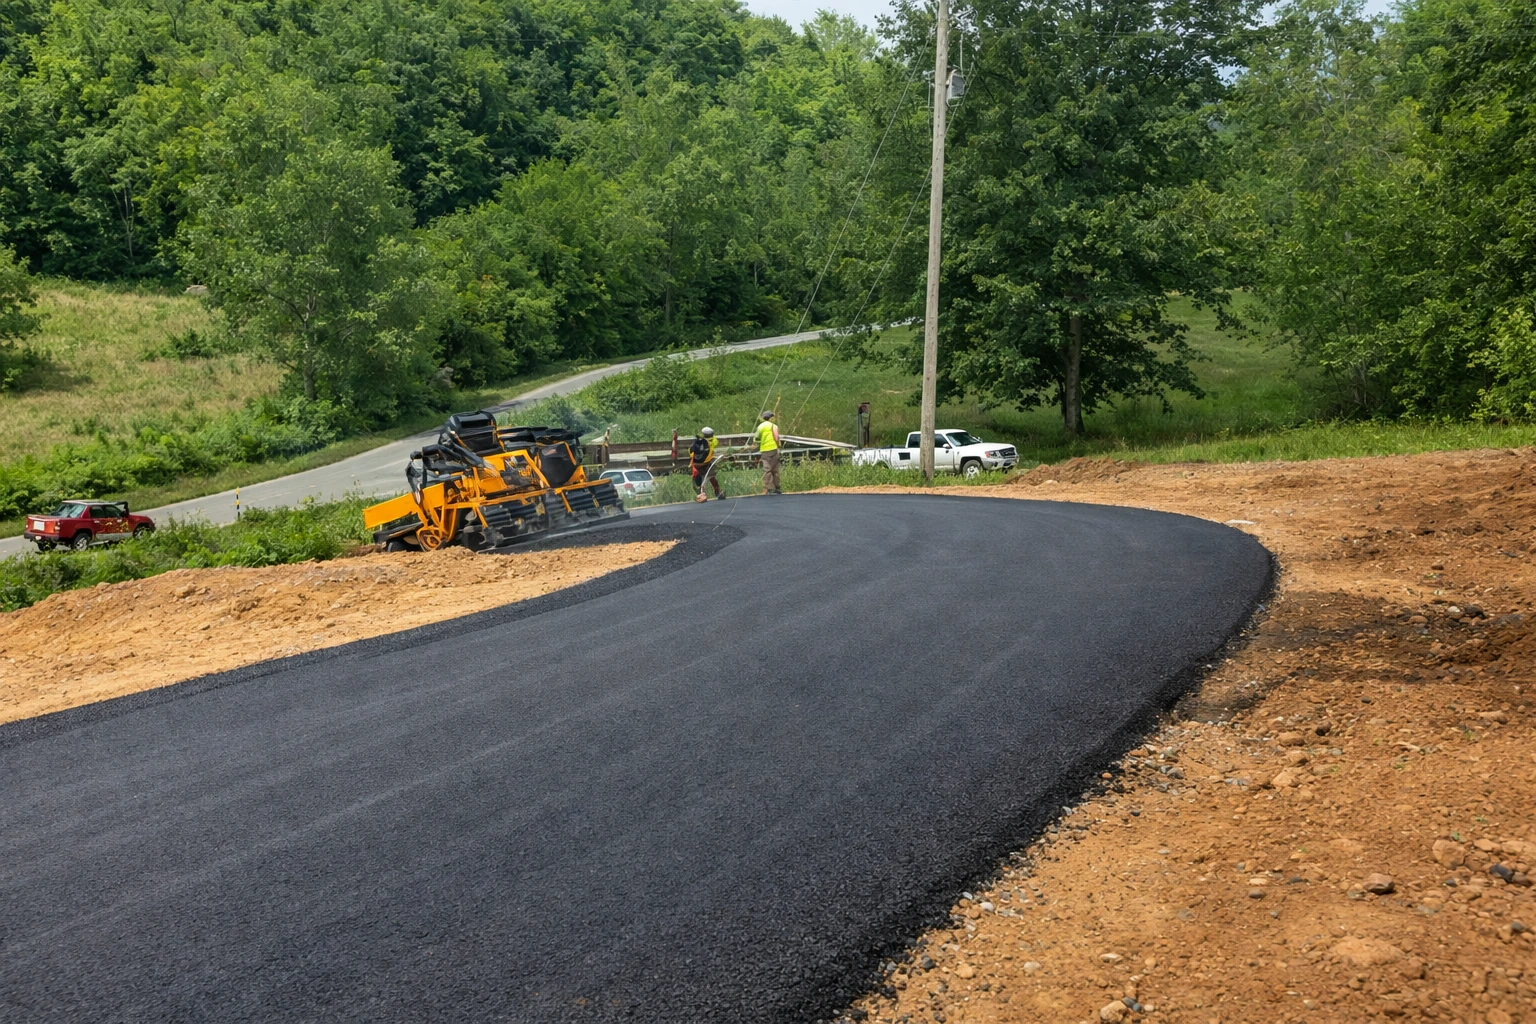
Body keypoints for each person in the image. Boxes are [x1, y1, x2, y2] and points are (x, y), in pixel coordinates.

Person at [690, 426, 723, 501]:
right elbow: (715, 443)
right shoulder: (713, 441)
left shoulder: (697, 442)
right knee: (710, 475)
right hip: (707, 464)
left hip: (697, 465)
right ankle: (717, 490)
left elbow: (690, 452)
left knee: (697, 477)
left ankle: (700, 493)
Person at [754, 410, 781, 494]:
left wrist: (759, 441)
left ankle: (770, 488)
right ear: (771, 418)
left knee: (767, 469)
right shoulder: (774, 426)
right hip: (774, 448)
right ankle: (777, 487)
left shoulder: (760, 427)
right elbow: (776, 437)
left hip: (765, 450)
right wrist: (778, 445)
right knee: (775, 469)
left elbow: (756, 437)